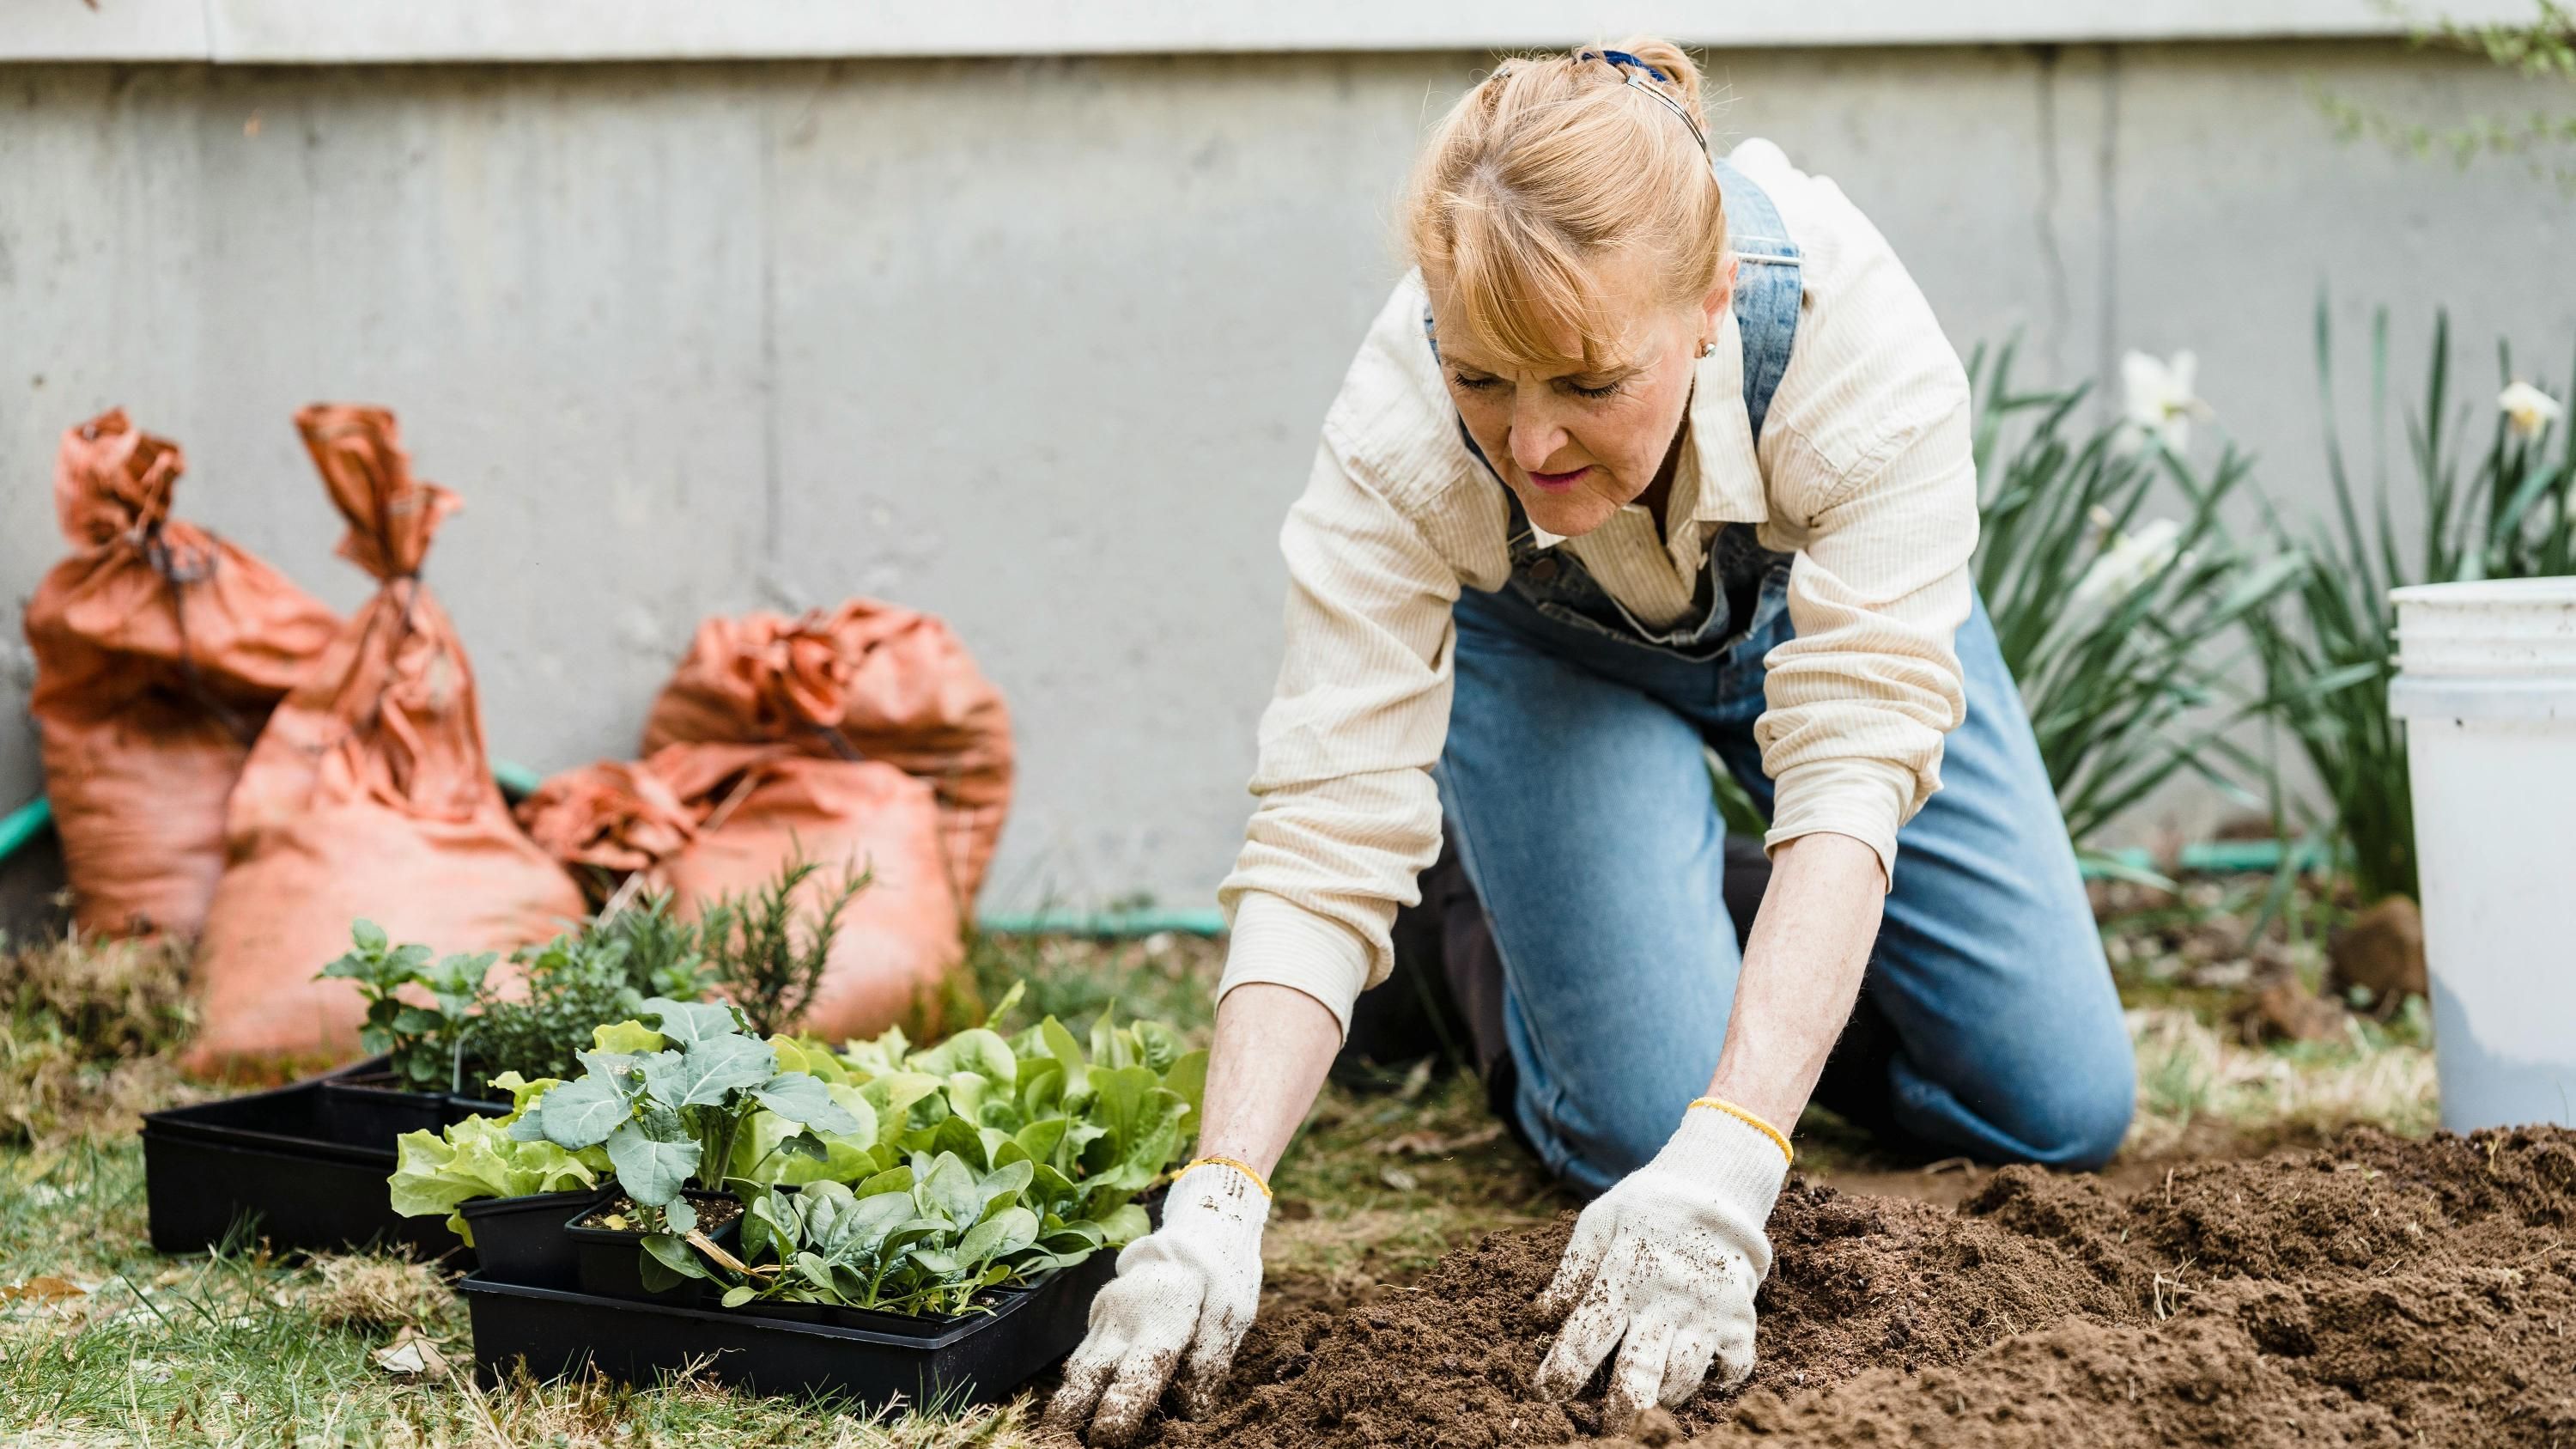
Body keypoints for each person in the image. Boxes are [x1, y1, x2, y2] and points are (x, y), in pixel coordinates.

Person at [1048, 39, 2135, 1445]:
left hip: (1821, 633)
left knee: (2059, 1107)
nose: (1533, 445)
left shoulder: (1854, 344)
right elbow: (1324, 828)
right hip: (1547, 660)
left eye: (1586, 380)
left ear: (1709, 300)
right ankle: (1471, 929)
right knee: (1639, 1129)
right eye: (1481, 379)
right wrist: (1217, 1204)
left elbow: (1854, 767)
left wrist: (1738, 1154)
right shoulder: (1396, 436)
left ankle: (1653, 906)